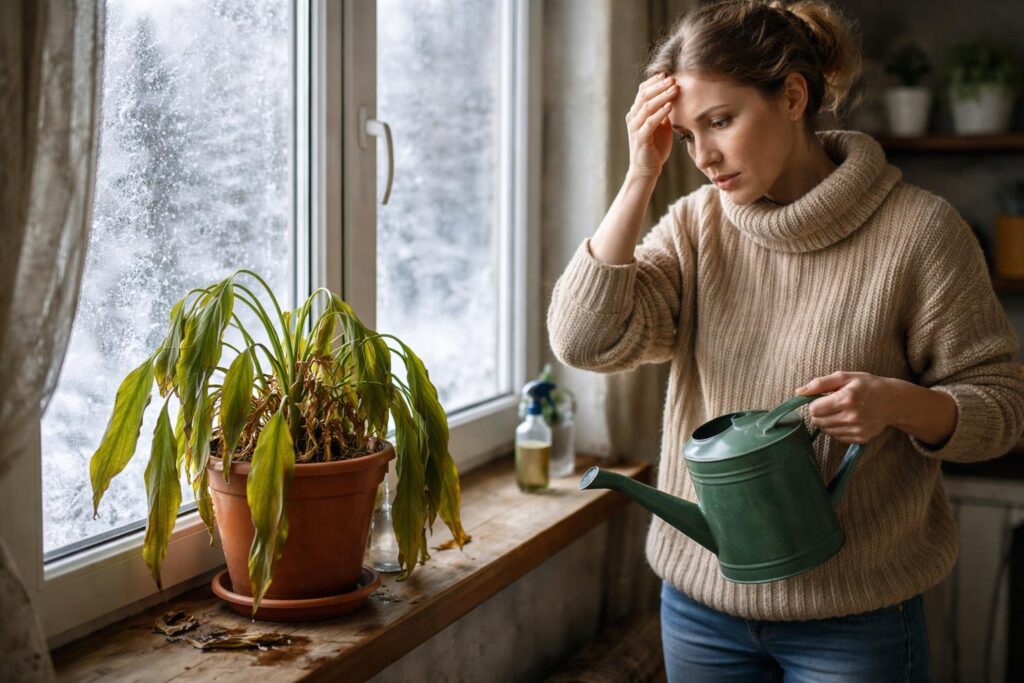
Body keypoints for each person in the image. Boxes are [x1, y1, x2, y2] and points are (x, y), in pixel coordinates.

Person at [546, 1, 1024, 681]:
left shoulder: (920, 232)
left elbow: (1003, 406)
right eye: (685, 134)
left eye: (721, 120)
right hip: (700, 610)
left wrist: (899, 404)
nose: (703, 156)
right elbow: (585, 339)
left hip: (857, 620)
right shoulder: (693, 226)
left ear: (793, 96)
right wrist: (639, 176)